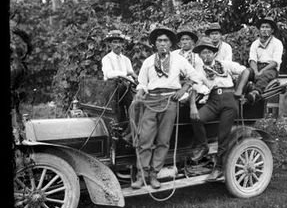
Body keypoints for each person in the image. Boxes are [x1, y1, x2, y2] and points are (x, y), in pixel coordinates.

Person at [131, 26, 201, 189]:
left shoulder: (179, 60)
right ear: (155, 44)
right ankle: (142, 176)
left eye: (166, 41)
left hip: (170, 102)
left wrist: (183, 90)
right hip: (151, 101)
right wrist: (140, 92)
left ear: (171, 44)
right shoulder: (148, 61)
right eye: (159, 40)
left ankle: (154, 175)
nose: (162, 43)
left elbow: (195, 77)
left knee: (163, 141)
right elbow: (142, 82)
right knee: (145, 140)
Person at [189, 37, 246, 181]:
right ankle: (203, 146)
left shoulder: (225, 64)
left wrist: (239, 90)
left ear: (214, 53)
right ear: (200, 56)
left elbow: (245, 71)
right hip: (213, 100)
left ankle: (219, 167)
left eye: (209, 52)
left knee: (223, 136)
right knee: (197, 118)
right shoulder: (199, 71)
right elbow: (194, 86)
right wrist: (197, 100)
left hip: (229, 99)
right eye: (203, 53)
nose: (206, 55)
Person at [233, 17, 283, 103]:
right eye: (262, 27)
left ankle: (255, 93)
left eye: (267, 27)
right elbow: (253, 60)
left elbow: (275, 62)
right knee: (246, 71)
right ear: (259, 30)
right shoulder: (255, 43)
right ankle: (238, 92)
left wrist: (262, 71)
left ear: (272, 30)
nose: (264, 29)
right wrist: (256, 72)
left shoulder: (277, 43)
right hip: (256, 67)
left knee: (264, 76)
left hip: (270, 69)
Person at [101, 30, 138, 127]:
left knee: (134, 109)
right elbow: (109, 74)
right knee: (117, 115)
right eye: (115, 42)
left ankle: (131, 130)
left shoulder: (126, 59)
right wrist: (126, 73)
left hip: (126, 89)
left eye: (120, 42)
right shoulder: (106, 59)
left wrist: (135, 83)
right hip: (112, 91)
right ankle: (118, 132)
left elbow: (131, 76)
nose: (118, 45)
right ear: (110, 44)